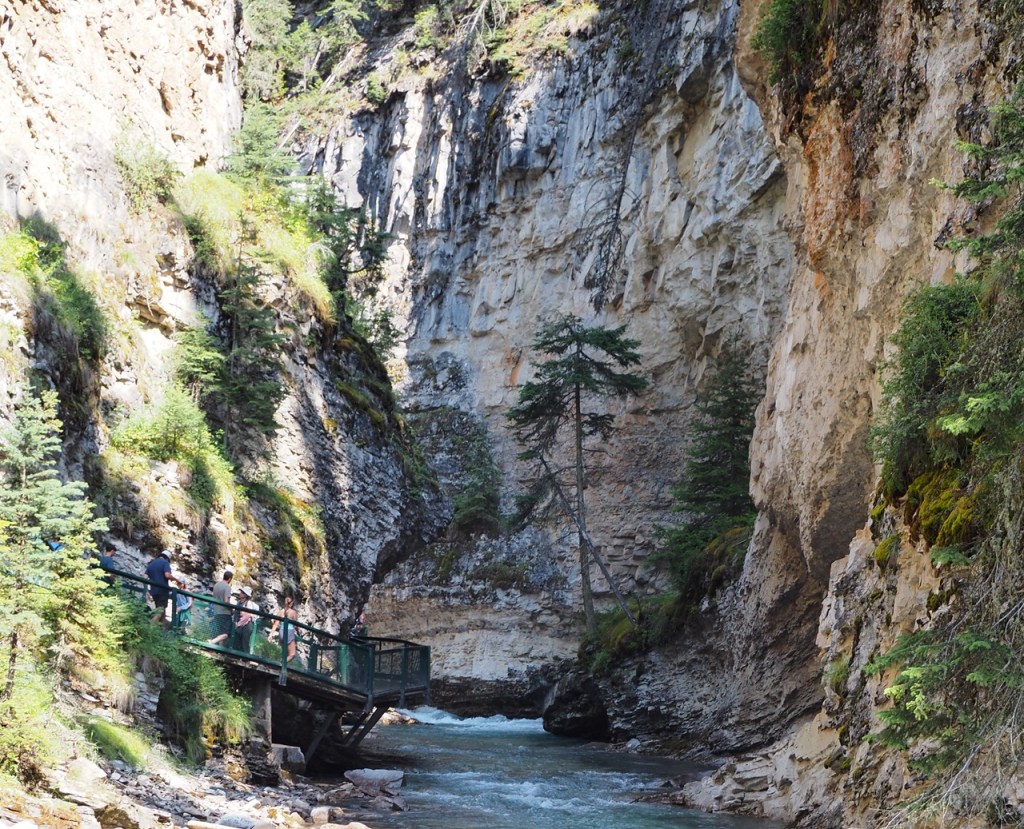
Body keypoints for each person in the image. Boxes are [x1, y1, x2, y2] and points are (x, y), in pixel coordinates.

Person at [144, 549, 183, 627]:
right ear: (168, 558)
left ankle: (162, 633)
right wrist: (176, 580)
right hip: (162, 591)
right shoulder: (165, 563)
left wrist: (147, 590)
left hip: (153, 591)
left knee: (162, 612)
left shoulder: (152, 563)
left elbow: (145, 577)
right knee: (160, 611)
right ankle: (148, 629)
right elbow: (167, 575)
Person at [268, 593, 298, 663]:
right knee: (292, 654)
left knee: (285, 652)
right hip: (289, 632)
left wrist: (270, 634)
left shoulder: (280, 612)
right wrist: (298, 632)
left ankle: (281, 664)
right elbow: (296, 625)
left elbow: (276, 624)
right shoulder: (293, 612)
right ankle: (281, 664)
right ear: (292, 603)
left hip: (281, 632)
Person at [207, 570, 234, 645]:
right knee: (226, 633)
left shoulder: (216, 585)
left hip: (216, 611)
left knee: (220, 632)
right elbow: (226, 601)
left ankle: (219, 650)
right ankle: (212, 642)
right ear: (229, 579)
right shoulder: (227, 587)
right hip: (224, 612)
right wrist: (231, 610)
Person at [231, 585, 258, 653]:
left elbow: (247, 616)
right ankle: (236, 656)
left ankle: (246, 658)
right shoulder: (239, 602)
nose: (240, 593)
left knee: (245, 642)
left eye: (242, 592)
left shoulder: (248, 603)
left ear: (246, 595)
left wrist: (238, 624)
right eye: (241, 592)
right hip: (240, 624)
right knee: (237, 641)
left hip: (247, 625)